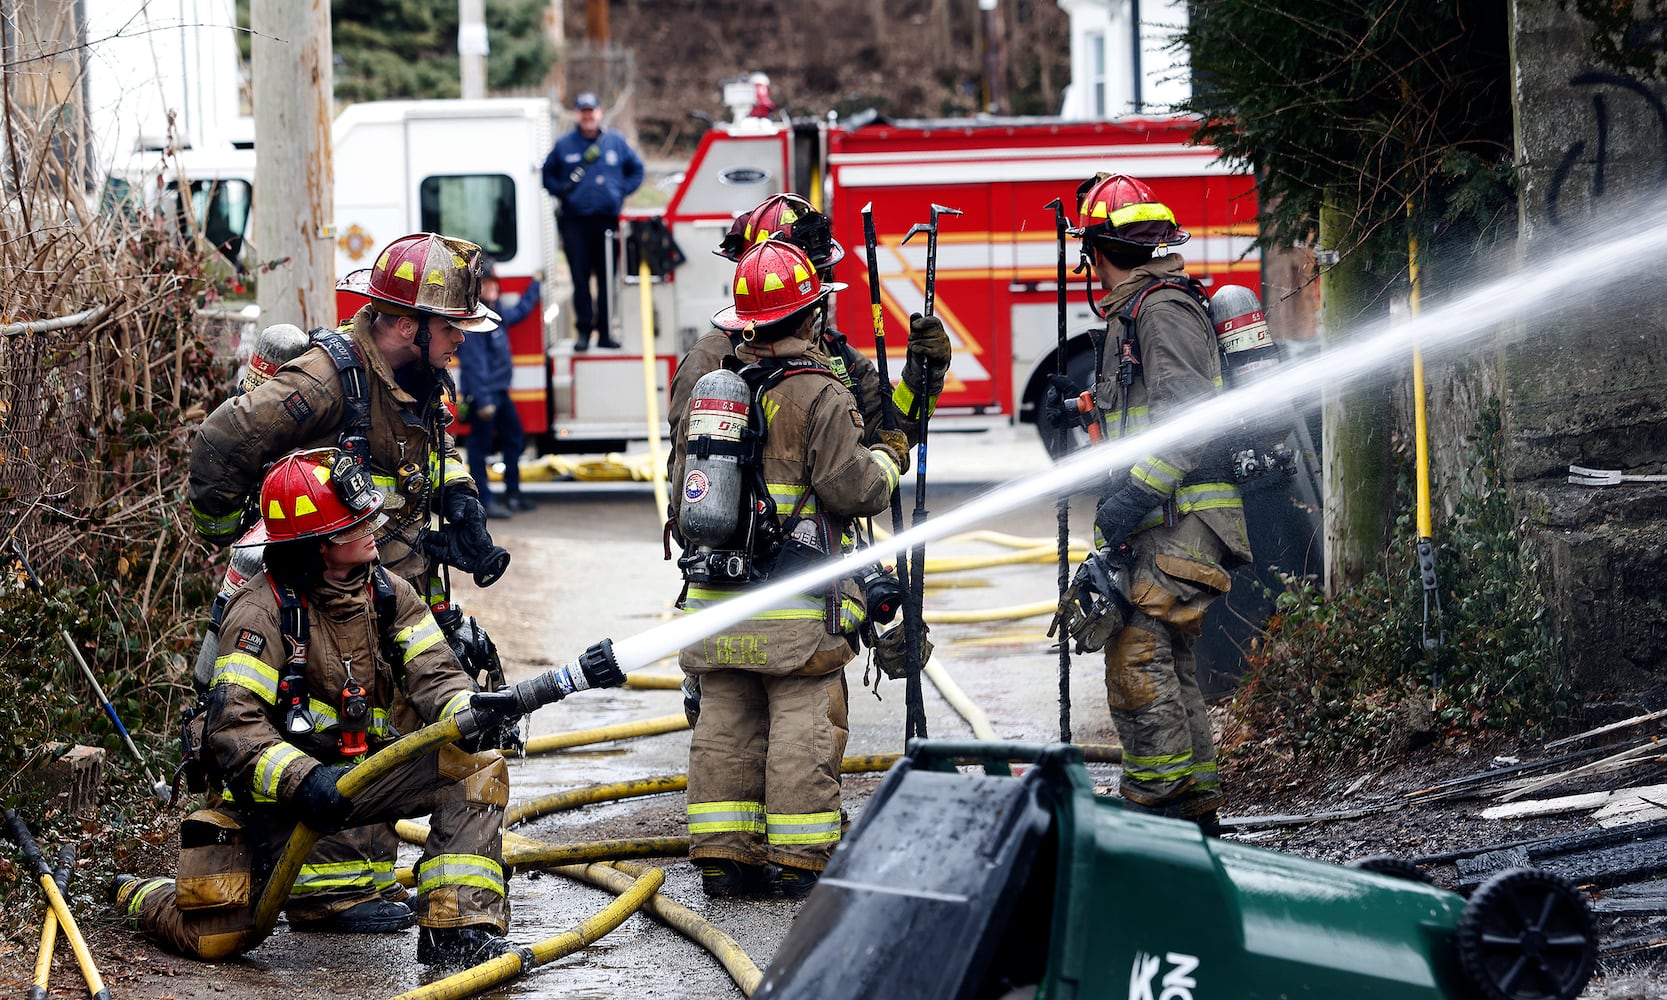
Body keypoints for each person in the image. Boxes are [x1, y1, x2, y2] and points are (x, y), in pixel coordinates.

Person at [186, 231, 511, 933]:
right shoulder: (323, 381)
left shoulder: (416, 376)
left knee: (391, 719)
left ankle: (418, 912)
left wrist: (459, 500)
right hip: (315, 590)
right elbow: (220, 445)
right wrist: (239, 548)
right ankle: (323, 893)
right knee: (325, 727)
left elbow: (419, 457)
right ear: (403, 324)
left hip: (381, 586)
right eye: (451, 328)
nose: (461, 342)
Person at [113, 450, 514, 968]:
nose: (374, 526)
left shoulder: (389, 594)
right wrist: (303, 780)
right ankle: (142, 894)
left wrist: (469, 711)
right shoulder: (260, 614)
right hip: (275, 802)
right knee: (218, 937)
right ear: (320, 546)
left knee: (475, 771)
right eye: (356, 523)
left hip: (360, 775)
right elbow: (235, 730)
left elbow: (435, 674)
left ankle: (457, 932)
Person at [673, 239, 907, 900]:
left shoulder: (713, 391)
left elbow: (682, 499)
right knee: (803, 726)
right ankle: (799, 858)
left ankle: (722, 855)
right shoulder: (818, 393)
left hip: (716, 603)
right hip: (795, 606)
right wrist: (888, 457)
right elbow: (856, 491)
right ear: (808, 319)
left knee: (724, 727)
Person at [1049, 173, 1251, 832]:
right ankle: (1194, 813)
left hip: (1179, 517)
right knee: (1168, 658)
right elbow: (1141, 415)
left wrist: (1135, 490)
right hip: (1167, 519)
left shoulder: (1158, 309)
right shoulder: (1138, 311)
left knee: (1138, 654)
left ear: (1096, 251)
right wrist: (1083, 413)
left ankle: (1157, 814)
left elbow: (1188, 418)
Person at [541, 91, 644, 351]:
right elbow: (547, 175)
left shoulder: (615, 142)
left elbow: (637, 170)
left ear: (599, 112)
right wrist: (562, 192)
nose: (588, 116)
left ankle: (607, 332)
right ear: (578, 114)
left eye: (592, 111)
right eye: (583, 111)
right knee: (580, 279)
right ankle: (584, 332)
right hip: (576, 222)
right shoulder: (564, 145)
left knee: (607, 279)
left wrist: (620, 191)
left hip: (608, 222)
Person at [458, 260, 539, 518]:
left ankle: (513, 494)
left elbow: (521, 311)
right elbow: (474, 365)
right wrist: (482, 402)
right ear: (477, 289)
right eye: (486, 284)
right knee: (479, 447)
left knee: (514, 438)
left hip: (500, 393)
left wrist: (536, 285)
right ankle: (484, 500)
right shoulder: (475, 323)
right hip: (484, 396)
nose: (493, 288)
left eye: (494, 283)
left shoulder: (495, 314)